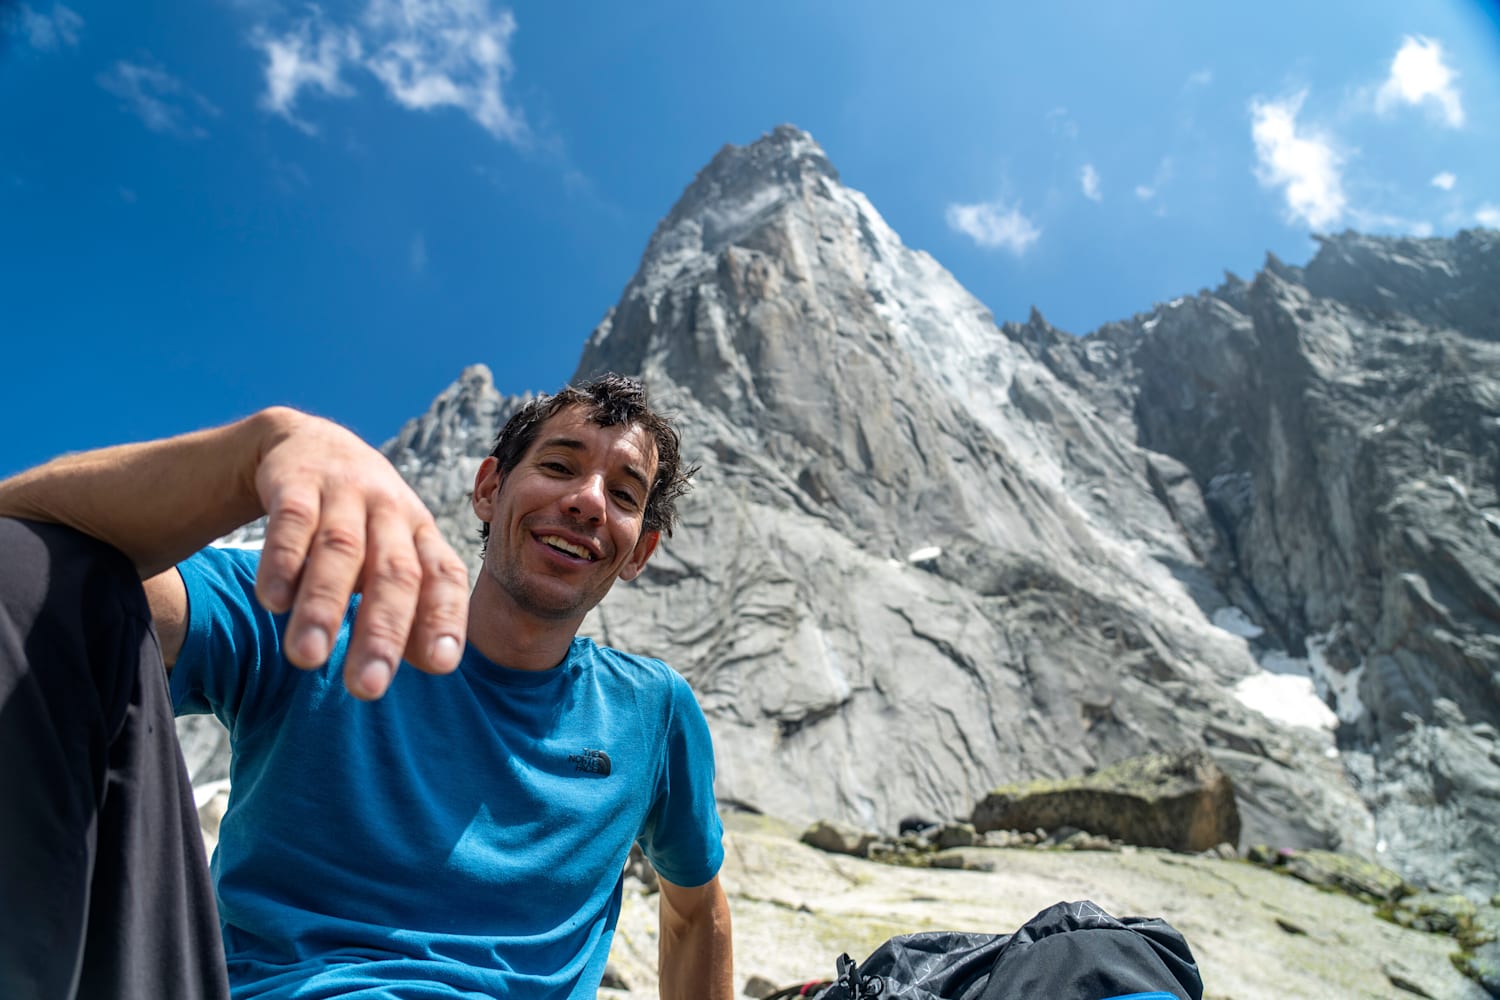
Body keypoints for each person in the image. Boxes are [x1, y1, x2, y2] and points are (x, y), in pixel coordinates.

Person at [0, 373, 733, 1000]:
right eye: (560, 465)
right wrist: (257, 449)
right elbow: (28, 564)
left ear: (638, 552)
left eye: (624, 493)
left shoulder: (651, 712)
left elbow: (696, 911)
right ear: (488, 488)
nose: (587, 501)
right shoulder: (318, 604)